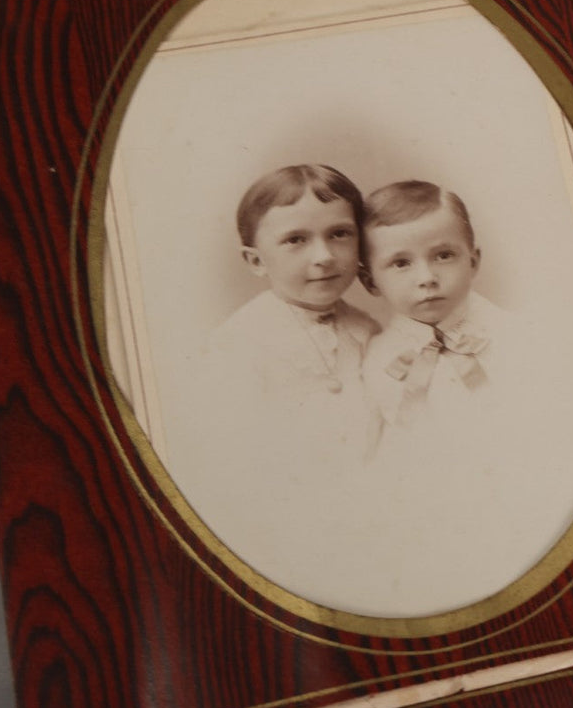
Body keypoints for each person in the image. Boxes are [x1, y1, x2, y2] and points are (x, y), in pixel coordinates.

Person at [169, 164, 381, 601]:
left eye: (339, 234)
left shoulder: (368, 330)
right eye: (296, 240)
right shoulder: (238, 343)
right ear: (255, 260)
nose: (323, 256)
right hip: (285, 527)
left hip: (371, 517)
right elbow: (229, 460)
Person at [358, 179, 506, 437]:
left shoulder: (508, 334)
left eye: (444, 256)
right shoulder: (376, 358)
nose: (427, 278)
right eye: (401, 263)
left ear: (473, 262)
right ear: (370, 282)